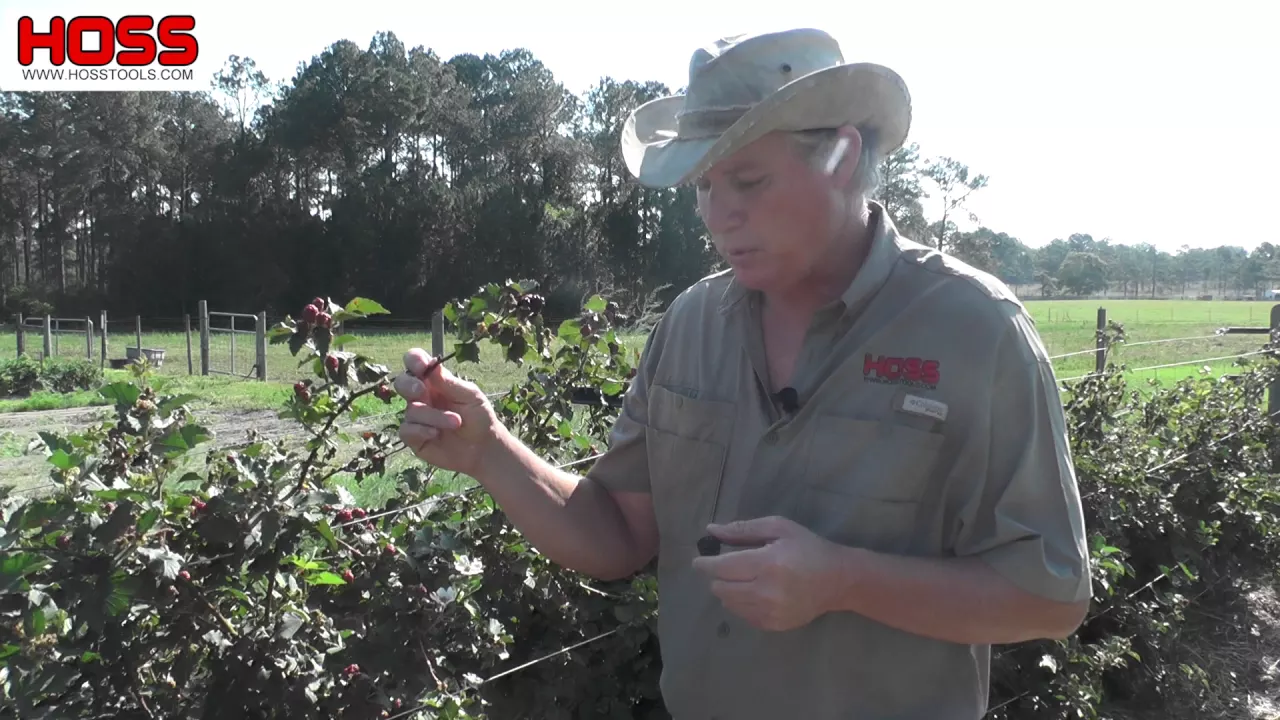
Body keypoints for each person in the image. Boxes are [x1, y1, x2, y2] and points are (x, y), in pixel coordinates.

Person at [395, 27, 1092, 720]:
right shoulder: (692, 324)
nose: (717, 216)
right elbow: (616, 535)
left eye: (749, 181)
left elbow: (1052, 594)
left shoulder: (975, 332)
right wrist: (490, 452)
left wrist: (843, 581)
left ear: (842, 156)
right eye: (703, 186)